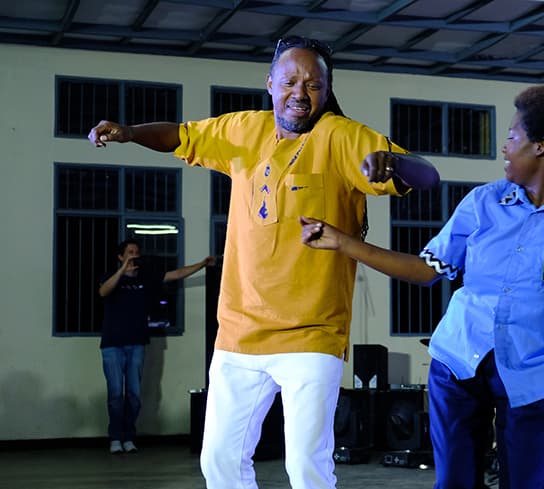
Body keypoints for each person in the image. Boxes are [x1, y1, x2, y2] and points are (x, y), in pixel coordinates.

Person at [88, 36, 439, 489]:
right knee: (219, 461)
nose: (300, 92)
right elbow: (181, 135)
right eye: (290, 81)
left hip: (312, 333)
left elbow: (426, 175)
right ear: (269, 83)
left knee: (306, 467)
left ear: (327, 90)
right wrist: (132, 133)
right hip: (238, 332)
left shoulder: (342, 136)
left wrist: (392, 162)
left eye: (313, 84)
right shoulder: (243, 131)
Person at [300, 82, 544, 488]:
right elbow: (425, 269)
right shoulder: (483, 202)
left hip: (532, 371)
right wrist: (343, 242)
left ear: (540, 146)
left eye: (512, 136)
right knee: (456, 484)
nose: (504, 146)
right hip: (458, 359)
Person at [99, 239, 215, 454]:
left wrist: (201, 264)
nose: (134, 255)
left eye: (136, 251)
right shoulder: (110, 277)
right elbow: (103, 292)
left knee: (133, 395)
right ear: (120, 256)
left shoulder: (146, 277)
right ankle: (115, 438)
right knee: (116, 395)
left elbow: (176, 274)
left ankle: (128, 437)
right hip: (112, 345)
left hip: (137, 344)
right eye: (129, 252)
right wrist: (123, 271)